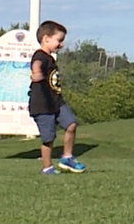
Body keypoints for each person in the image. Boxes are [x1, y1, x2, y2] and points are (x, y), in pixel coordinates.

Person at [29, 20, 86, 175]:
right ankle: (47, 168)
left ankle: (67, 158)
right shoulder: (40, 55)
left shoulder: (51, 58)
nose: (61, 45)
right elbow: (36, 63)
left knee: (71, 124)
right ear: (46, 39)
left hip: (56, 102)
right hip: (42, 105)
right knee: (48, 138)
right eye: (59, 40)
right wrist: (36, 72)